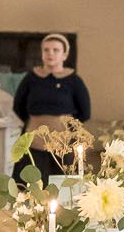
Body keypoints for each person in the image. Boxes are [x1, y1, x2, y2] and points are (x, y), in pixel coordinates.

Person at [12, 33, 91, 181]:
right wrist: (38, 123)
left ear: (64, 55)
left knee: (63, 185)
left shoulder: (74, 80)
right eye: (46, 50)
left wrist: (64, 126)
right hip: (34, 142)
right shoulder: (31, 78)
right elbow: (18, 106)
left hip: (64, 144)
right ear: (41, 54)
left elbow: (85, 112)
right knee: (31, 184)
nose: (50, 54)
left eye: (56, 50)